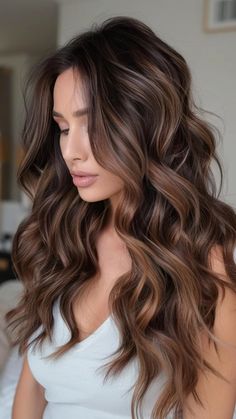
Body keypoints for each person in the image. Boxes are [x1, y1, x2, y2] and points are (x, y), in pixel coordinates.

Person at [6, 15, 236, 419]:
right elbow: (31, 394)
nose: (71, 151)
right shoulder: (64, 237)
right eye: (62, 128)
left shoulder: (207, 262)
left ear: (144, 121)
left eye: (91, 123)